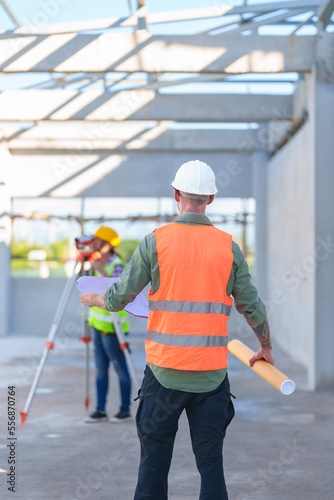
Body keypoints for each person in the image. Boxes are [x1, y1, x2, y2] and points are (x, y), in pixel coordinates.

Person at [80, 160, 274, 499]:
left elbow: (119, 296)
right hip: (211, 377)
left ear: (175, 194)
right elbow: (252, 305)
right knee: (211, 466)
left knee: (153, 467)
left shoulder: (155, 242)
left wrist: (95, 297)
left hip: (163, 374)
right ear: (210, 198)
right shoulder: (228, 247)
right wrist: (265, 346)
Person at [83, 226, 132, 424]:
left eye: (97, 240)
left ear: (107, 245)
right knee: (101, 369)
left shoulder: (117, 264)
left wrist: (100, 271)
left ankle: (125, 410)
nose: (93, 243)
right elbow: (84, 285)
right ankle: (100, 410)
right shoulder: (95, 262)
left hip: (114, 328)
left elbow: (117, 292)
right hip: (97, 324)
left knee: (120, 368)